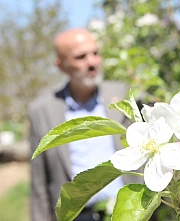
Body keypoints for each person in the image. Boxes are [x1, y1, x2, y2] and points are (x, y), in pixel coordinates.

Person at [29, 28, 141, 221]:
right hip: (78, 215)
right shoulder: (42, 110)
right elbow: (39, 182)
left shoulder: (123, 94)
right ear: (61, 66)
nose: (92, 62)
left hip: (129, 209)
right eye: (81, 57)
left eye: (95, 53)